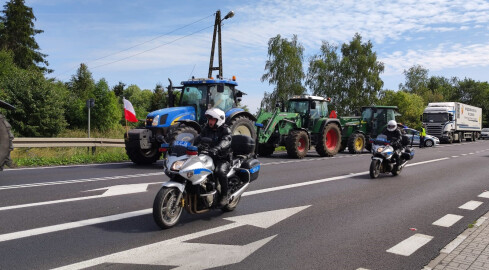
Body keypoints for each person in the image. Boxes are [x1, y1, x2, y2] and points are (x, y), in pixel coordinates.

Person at [194, 108, 232, 206]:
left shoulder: (225, 130)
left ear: (219, 120)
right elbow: (198, 138)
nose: (210, 122)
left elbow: (226, 141)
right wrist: (191, 145)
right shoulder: (206, 129)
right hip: (207, 156)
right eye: (209, 119)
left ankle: (225, 195)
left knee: (219, 171)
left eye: (212, 119)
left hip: (222, 158)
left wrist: (217, 148)